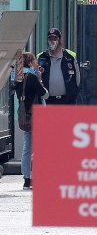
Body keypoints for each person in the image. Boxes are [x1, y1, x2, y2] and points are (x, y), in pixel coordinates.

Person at [14, 52, 49, 189]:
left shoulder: (18, 79)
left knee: (27, 148)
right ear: (29, 63)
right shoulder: (32, 78)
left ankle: (26, 178)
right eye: (34, 60)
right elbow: (45, 94)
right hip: (36, 116)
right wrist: (40, 79)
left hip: (25, 116)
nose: (36, 63)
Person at [37, 28, 80, 105]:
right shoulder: (41, 57)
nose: (52, 41)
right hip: (48, 101)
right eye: (50, 39)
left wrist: (73, 94)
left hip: (67, 101)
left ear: (60, 40)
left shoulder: (70, 57)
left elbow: (77, 79)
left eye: (55, 38)